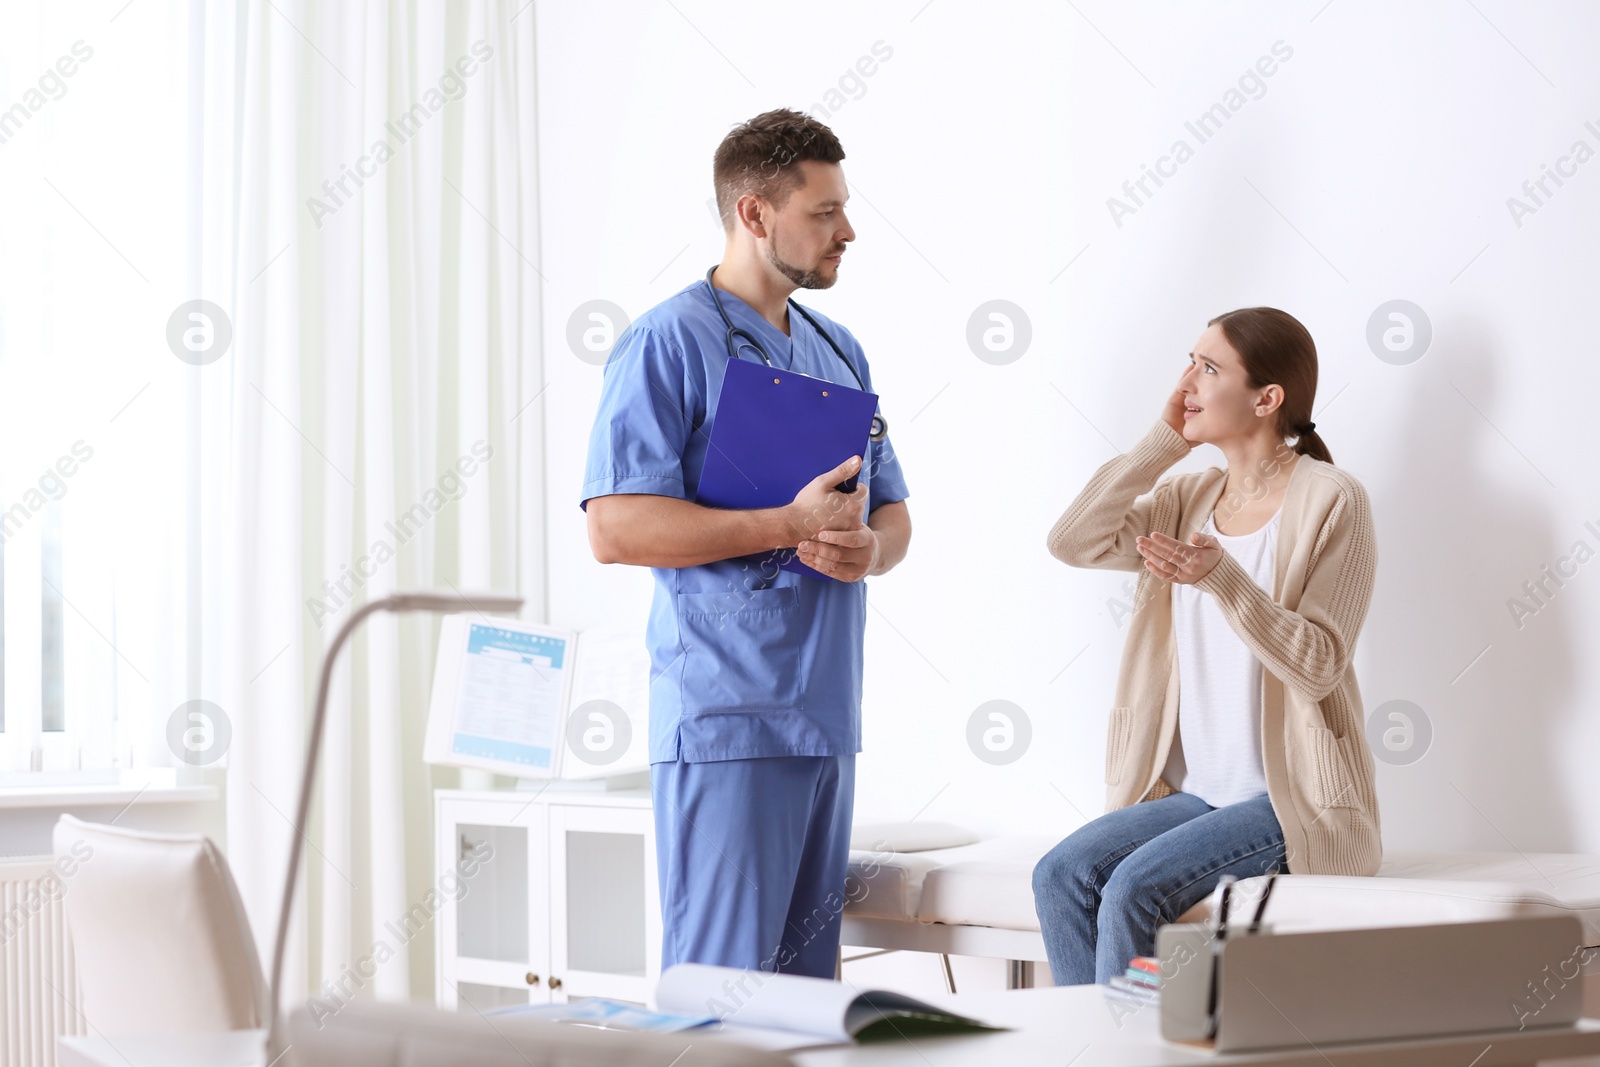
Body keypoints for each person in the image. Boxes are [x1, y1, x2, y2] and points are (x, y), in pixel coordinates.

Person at [581, 109, 911, 978]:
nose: (847, 230)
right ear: (756, 215)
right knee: (720, 1000)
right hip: (728, 717)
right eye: (825, 211)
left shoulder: (841, 351)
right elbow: (614, 528)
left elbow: (894, 514)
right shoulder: (667, 341)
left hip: (826, 714)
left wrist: (870, 551)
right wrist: (786, 526)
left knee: (805, 1006)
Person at [1033, 307, 1380, 985]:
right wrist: (1165, 440)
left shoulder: (1333, 499)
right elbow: (1072, 539)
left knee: (1135, 887)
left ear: (1267, 397)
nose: (1188, 380)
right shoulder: (1186, 494)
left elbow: (1319, 663)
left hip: (1288, 800)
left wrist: (1224, 579)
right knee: (1061, 874)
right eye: (1190, 361)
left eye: (1210, 367)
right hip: (1198, 792)